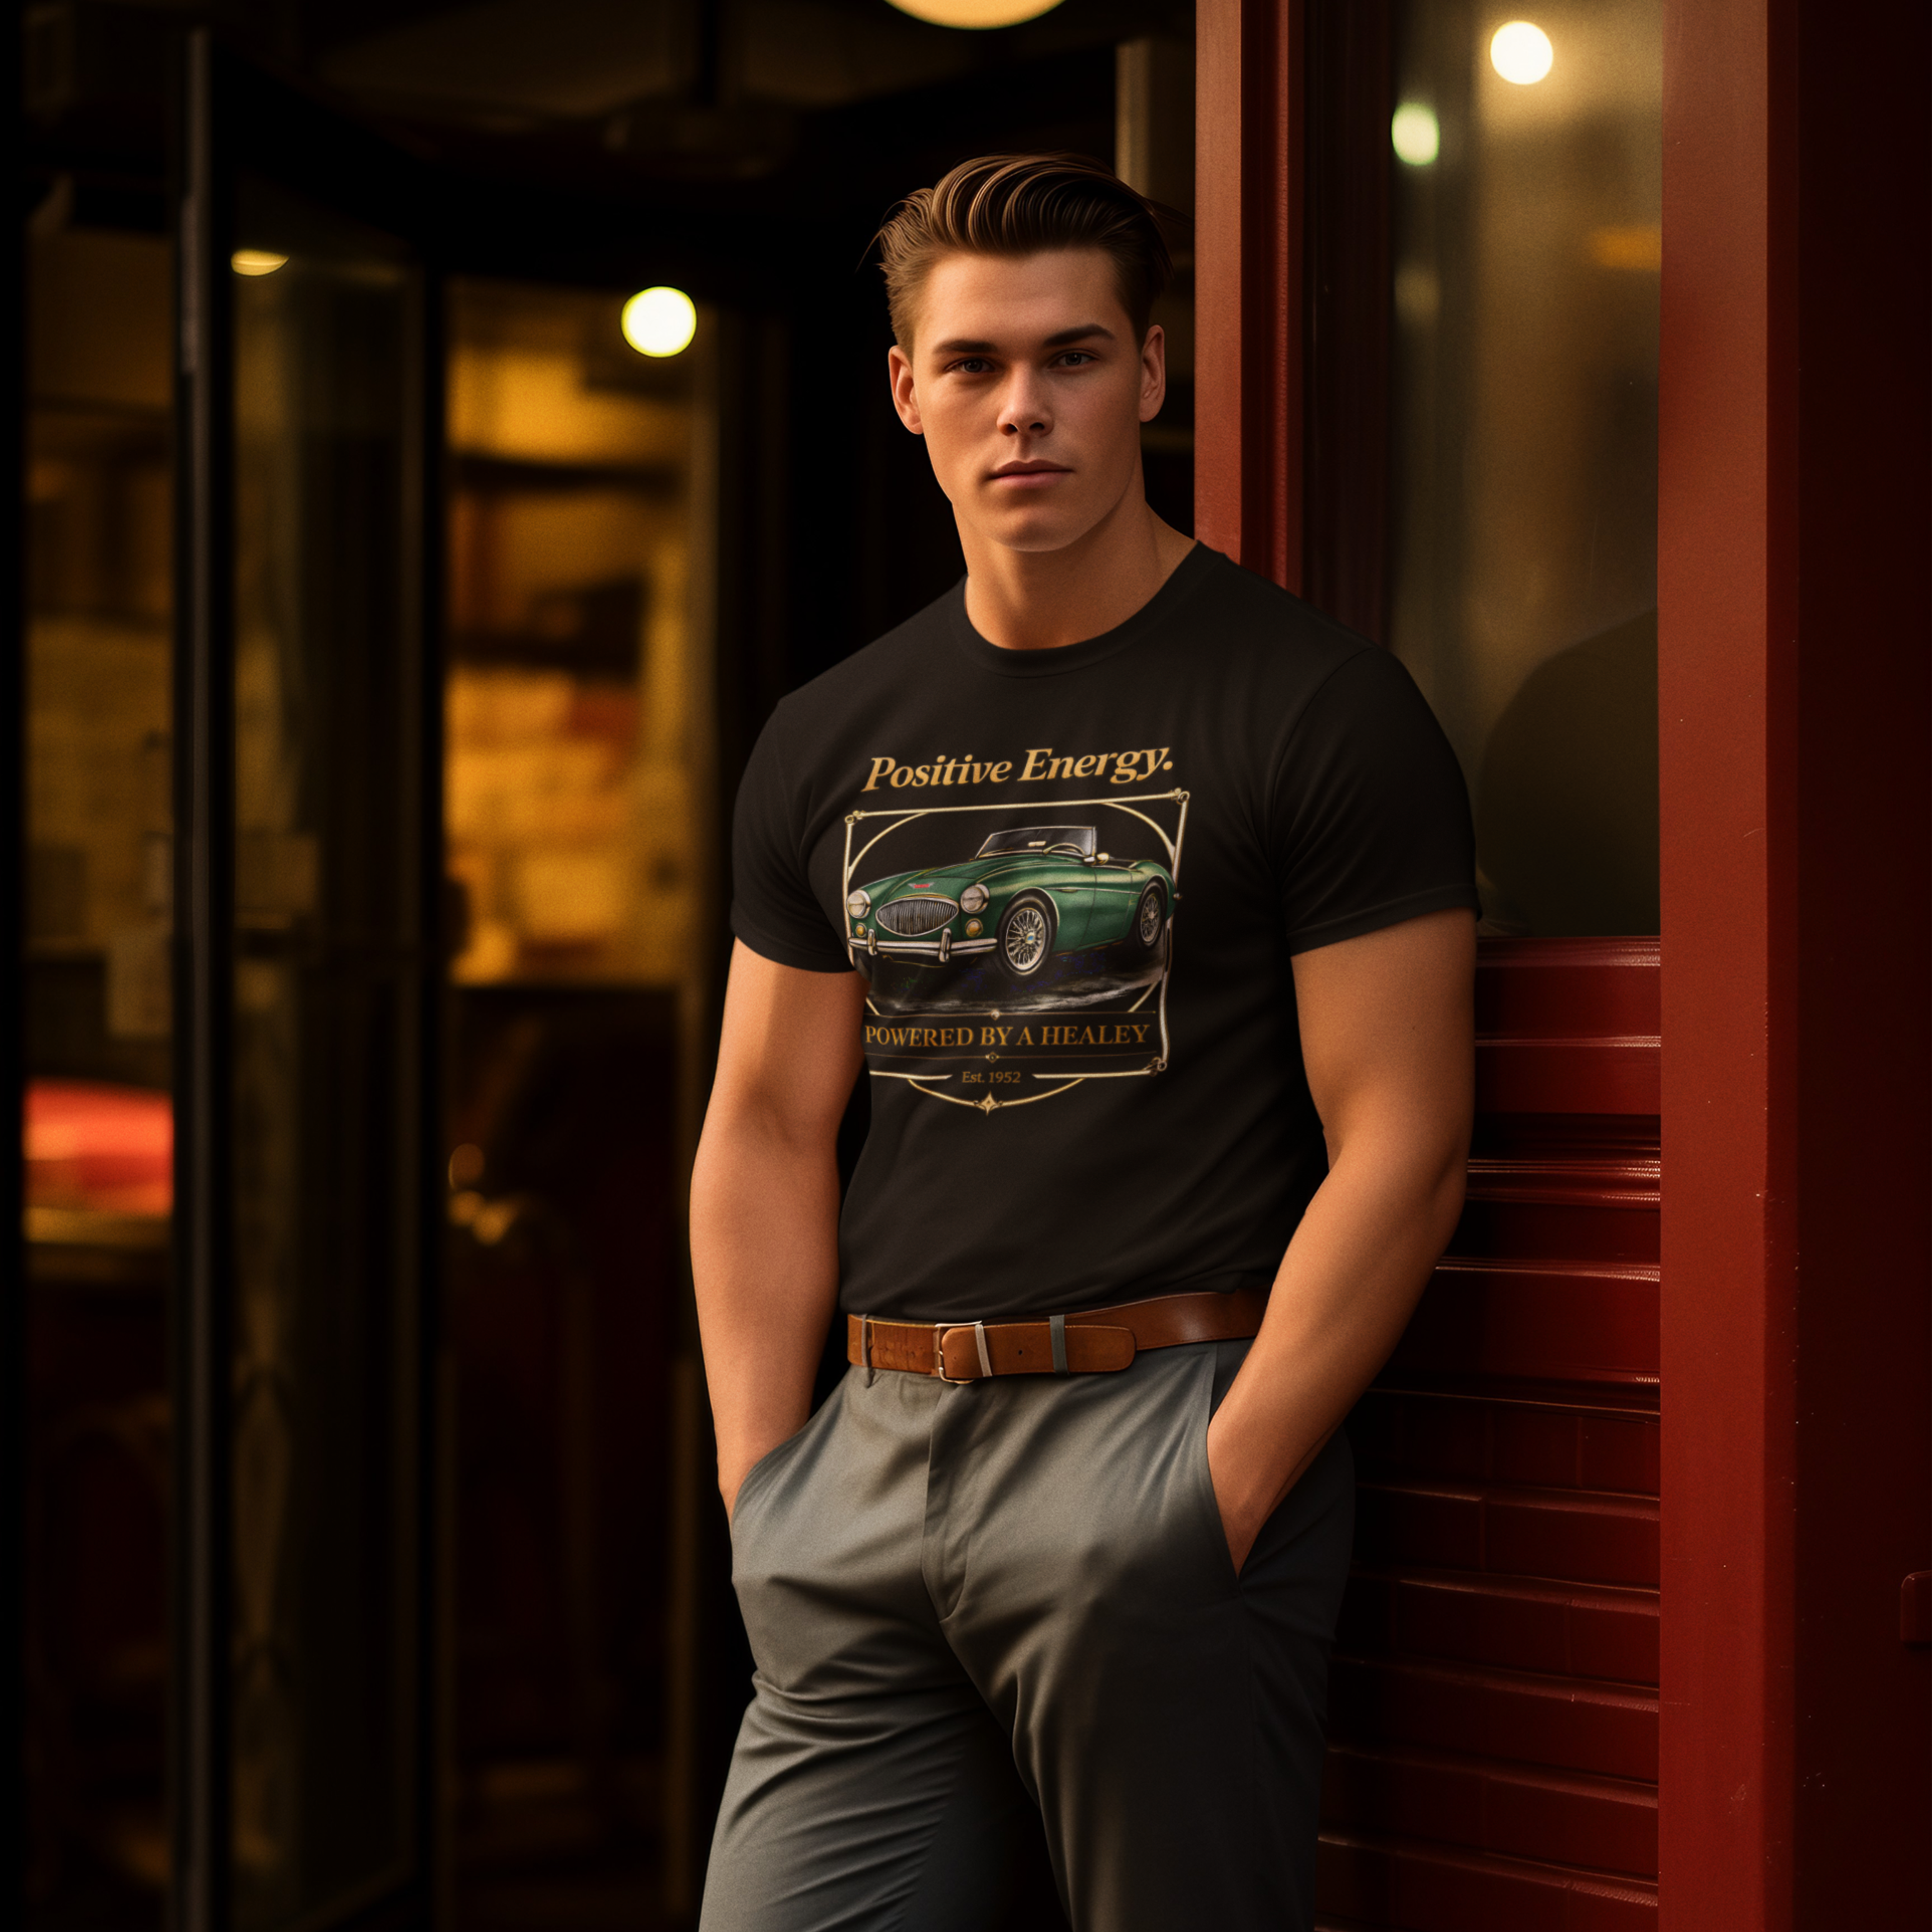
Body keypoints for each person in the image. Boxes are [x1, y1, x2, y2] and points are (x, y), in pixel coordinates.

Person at [690, 152, 1477, 1932]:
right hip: (865, 1464)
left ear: (1152, 375)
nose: (1021, 408)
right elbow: (762, 1121)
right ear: (906, 390)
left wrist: (1224, 1480)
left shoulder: (1315, 705)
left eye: (1072, 356)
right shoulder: (832, 734)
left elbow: (1406, 1143)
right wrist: (764, 1486)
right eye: (972, 364)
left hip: (1158, 1434)